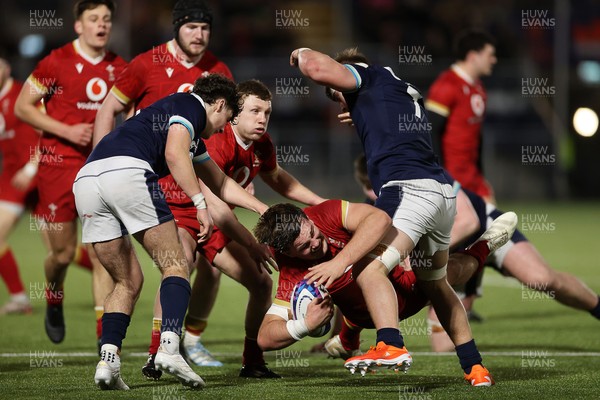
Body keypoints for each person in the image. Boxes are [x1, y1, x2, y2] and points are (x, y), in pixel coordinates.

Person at [290, 46, 510, 386]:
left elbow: (317, 67)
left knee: (368, 268)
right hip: (440, 192)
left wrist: (300, 53)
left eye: (338, 95)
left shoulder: (366, 75)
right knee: (435, 284)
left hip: (408, 190)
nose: (341, 103)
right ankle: (475, 367)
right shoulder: (393, 87)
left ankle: (390, 343)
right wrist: (359, 107)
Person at [74, 74, 276, 390]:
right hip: (128, 174)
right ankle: (169, 349)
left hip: (87, 180)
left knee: (127, 280)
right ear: (219, 104)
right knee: (176, 265)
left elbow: (221, 183)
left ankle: (108, 361)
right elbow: (173, 154)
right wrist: (199, 204)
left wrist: (263, 209)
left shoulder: (184, 128)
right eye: (227, 118)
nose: (225, 127)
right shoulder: (189, 104)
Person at [146, 79, 324, 379]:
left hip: (219, 218)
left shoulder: (262, 144)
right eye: (255, 111)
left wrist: (319, 202)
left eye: (267, 112)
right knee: (180, 268)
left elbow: (278, 179)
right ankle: (156, 354)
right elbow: (216, 207)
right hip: (183, 212)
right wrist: (254, 242)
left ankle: (252, 361)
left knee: (260, 282)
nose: (262, 119)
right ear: (235, 114)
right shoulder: (217, 140)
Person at [92, 0, 235, 373]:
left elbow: (217, 140)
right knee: (176, 264)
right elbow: (109, 108)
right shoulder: (145, 63)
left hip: (157, 179)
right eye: (191, 27)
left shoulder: (218, 71)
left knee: (196, 270)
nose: (199, 35)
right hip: (146, 180)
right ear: (176, 29)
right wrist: (101, 155)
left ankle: (126, 353)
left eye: (205, 28)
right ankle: (163, 350)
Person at [254, 200, 515, 384]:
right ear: (287, 253)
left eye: (312, 232)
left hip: (403, 287)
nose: (315, 242)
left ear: (307, 217)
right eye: (305, 246)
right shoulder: (292, 269)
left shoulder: (327, 213)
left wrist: (338, 262)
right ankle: (349, 338)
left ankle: (483, 248)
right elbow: (265, 338)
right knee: (351, 290)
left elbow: (379, 218)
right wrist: (303, 325)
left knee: (447, 274)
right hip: (365, 313)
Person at [14, 0, 126, 345]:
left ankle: (102, 340)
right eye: (93, 19)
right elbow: (22, 107)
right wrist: (66, 131)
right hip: (58, 165)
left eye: (106, 19)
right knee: (62, 254)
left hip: (98, 169)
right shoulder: (56, 62)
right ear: (79, 26)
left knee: (100, 254)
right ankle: (53, 294)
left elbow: (132, 112)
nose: (101, 25)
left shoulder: (119, 66)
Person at [427, 185, 600, 351]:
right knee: (443, 346)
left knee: (541, 279)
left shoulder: (423, 171)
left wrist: (426, 256)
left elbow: (468, 223)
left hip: (487, 231)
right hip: (451, 253)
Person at [425, 30, 497, 204]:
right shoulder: (446, 85)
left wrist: (481, 174)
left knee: (498, 226)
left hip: (473, 177)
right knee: (473, 227)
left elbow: (476, 136)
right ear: (473, 56)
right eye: (490, 55)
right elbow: (429, 132)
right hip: (451, 178)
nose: (494, 60)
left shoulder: (479, 88)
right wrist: (439, 177)